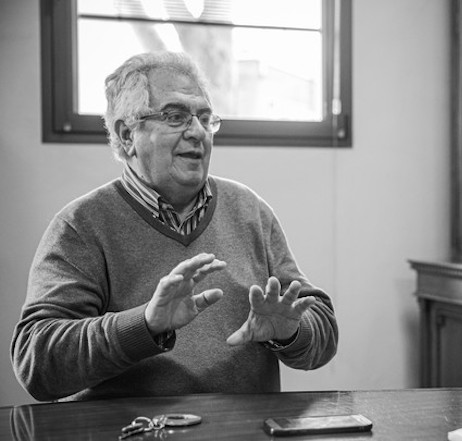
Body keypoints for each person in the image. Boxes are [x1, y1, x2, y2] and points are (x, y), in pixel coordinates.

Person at [11, 51, 338, 401]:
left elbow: (322, 331)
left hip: (245, 426)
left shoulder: (250, 211)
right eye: (175, 116)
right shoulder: (81, 226)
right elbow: (36, 363)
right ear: (127, 135)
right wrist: (144, 325)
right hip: (135, 428)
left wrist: (291, 333)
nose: (197, 132)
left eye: (205, 118)